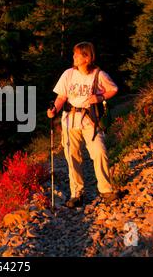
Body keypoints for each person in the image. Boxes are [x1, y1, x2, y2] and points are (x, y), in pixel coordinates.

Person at [47, 42, 119, 208]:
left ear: (87, 57)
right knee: (72, 157)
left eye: (77, 54)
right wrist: (54, 109)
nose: (74, 57)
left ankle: (106, 190)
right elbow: (62, 97)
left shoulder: (98, 74)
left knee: (99, 151)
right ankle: (76, 194)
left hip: (90, 120)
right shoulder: (68, 74)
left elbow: (113, 89)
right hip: (70, 120)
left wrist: (100, 98)